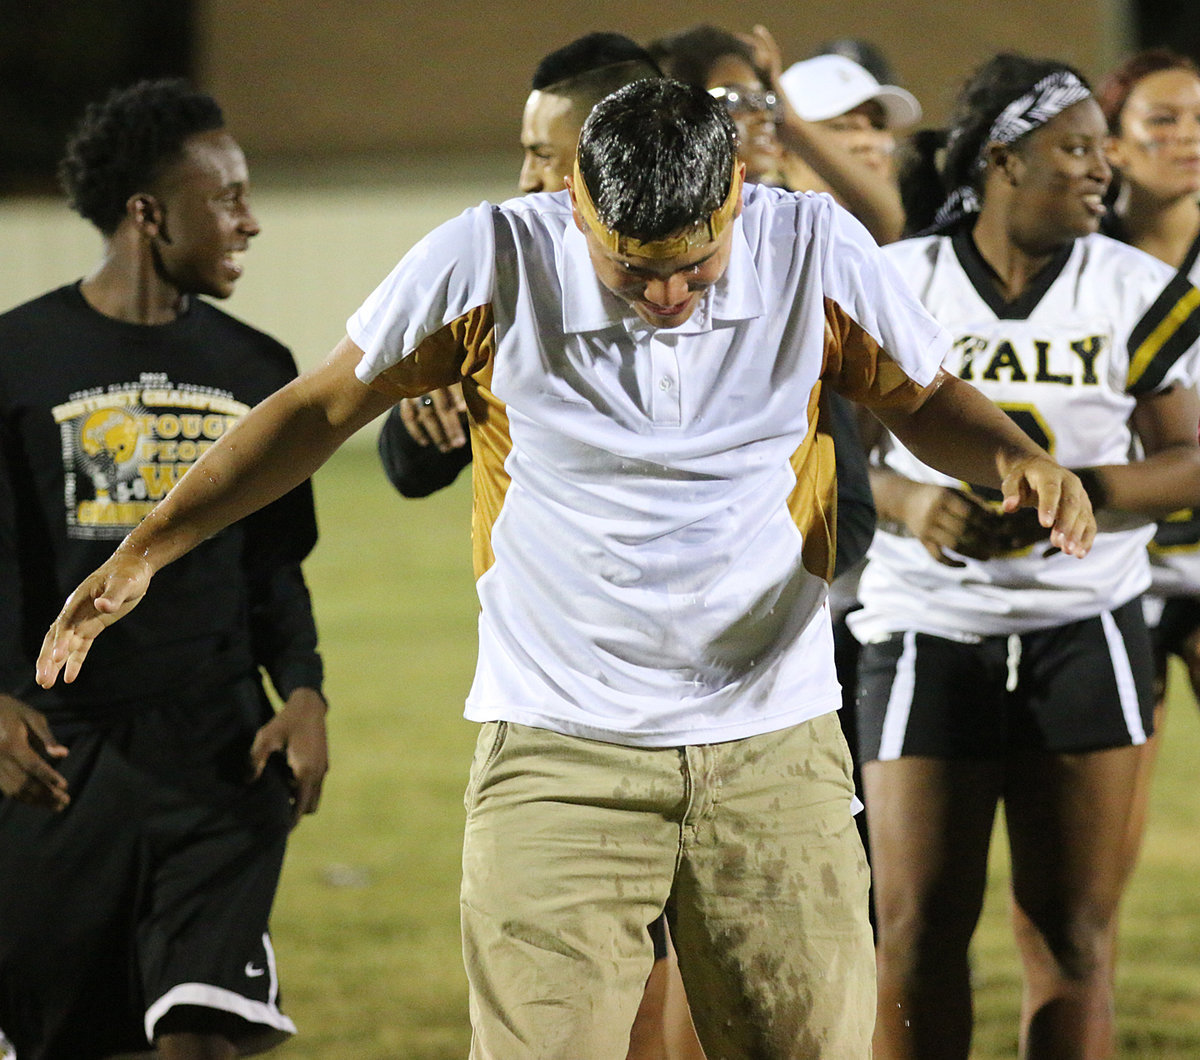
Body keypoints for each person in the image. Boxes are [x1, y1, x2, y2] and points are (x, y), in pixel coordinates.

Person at [37, 79, 1094, 1060]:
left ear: (736, 197)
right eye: (635, 269)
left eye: (697, 263)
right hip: (557, 756)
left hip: (774, 744)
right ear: (578, 208)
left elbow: (920, 396)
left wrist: (1019, 458)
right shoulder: (491, 257)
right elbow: (320, 409)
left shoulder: (809, 246)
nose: (670, 295)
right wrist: (148, 548)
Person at [849, 54, 1200, 1059]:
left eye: (1103, 150)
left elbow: (1188, 459)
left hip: (1083, 626)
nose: (1102, 171)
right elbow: (822, 449)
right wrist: (915, 500)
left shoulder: (1132, 284)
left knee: (1074, 934)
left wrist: (1087, 491)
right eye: (1075, 148)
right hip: (927, 628)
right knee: (914, 930)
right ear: (1002, 157)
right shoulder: (896, 278)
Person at [0, 80, 328, 1060]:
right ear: (149, 212)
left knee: (203, 1039)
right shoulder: (17, 359)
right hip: (59, 767)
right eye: (226, 196)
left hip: (218, 758)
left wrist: (304, 687)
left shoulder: (260, 369)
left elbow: (276, 563)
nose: (250, 220)